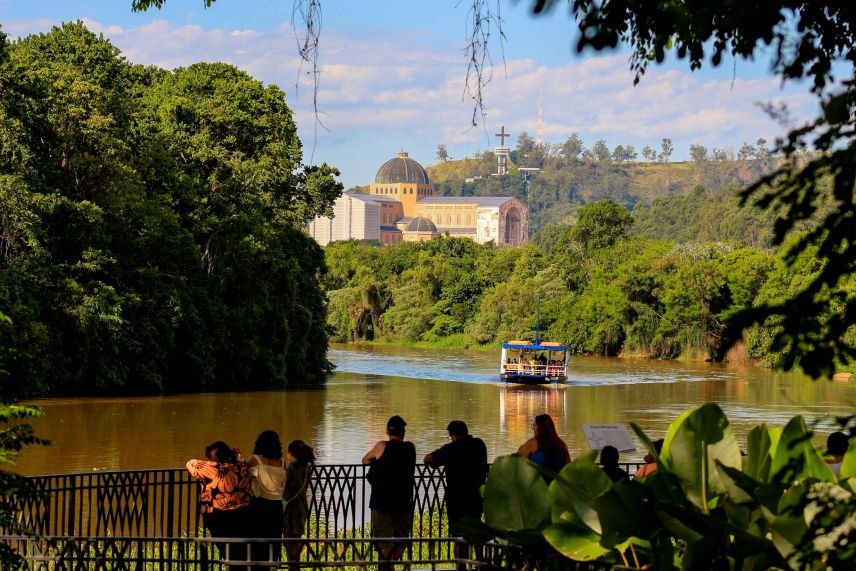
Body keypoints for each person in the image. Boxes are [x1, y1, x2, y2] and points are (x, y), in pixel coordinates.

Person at [424, 420, 488, 571]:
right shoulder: (479, 445)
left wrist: (436, 464)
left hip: (457, 499)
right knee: (476, 531)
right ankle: (481, 563)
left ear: (453, 436)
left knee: (459, 536)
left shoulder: (451, 449)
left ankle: (461, 567)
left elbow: (427, 459)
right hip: (476, 497)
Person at [363, 415, 416, 571]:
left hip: (381, 501)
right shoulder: (410, 448)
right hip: (403, 500)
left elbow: (365, 460)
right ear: (403, 432)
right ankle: (390, 565)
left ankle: (387, 566)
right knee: (402, 538)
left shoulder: (382, 446)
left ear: (387, 430)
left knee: (383, 540)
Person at [187, 441, 252, 567]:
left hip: (218, 515)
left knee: (229, 552)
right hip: (243, 513)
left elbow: (191, 463)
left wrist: (211, 463)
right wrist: (236, 456)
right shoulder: (241, 466)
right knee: (239, 552)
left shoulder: (213, 468)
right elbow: (241, 460)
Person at [246, 430, 286, 570]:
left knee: (257, 541)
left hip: (259, 505)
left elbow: (242, 474)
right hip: (276, 507)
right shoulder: (282, 463)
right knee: (274, 540)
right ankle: (272, 566)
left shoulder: (255, 460)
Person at [283, 439, 315, 571]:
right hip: (302, 505)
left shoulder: (291, 467)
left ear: (292, 453)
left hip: (291, 507)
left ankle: (293, 566)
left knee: (288, 539)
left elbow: (283, 483)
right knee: (295, 538)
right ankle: (295, 565)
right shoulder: (307, 468)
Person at [516, 414, 571, 482]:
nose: (533, 428)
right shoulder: (561, 444)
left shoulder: (533, 443)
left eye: (534, 425)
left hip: (538, 486)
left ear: (540, 427)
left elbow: (515, 463)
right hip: (556, 486)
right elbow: (569, 468)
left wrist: (521, 448)